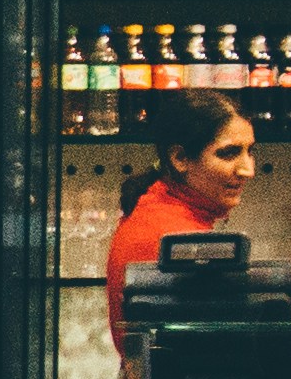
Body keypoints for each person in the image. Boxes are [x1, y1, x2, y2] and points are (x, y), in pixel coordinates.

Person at [103, 91, 255, 347]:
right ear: (180, 159)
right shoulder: (177, 237)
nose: (247, 170)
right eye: (229, 154)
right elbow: (209, 353)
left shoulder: (157, 210)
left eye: (250, 151)